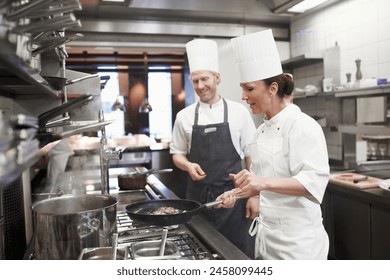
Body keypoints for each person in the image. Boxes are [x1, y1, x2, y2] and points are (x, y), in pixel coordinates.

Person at [216, 29, 330, 260]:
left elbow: (313, 183)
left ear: (273, 89)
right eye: (242, 88)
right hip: (267, 238)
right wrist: (236, 194)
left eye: (249, 88)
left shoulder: (301, 125)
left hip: (299, 244)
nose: (243, 96)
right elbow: (260, 184)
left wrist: (261, 182)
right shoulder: (260, 132)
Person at [169, 38, 256, 259]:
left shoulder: (239, 112)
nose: (200, 86)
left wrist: (254, 195)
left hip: (235, 201)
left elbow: (251, 155)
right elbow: (177, 153)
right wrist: (188, 165)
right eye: (195, 80)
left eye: (205, 79)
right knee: (200, 255)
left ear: (217, 78)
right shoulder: (184, 116)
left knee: (239, 257)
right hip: (199, 202)